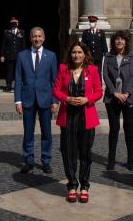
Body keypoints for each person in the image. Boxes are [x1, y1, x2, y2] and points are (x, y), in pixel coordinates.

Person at [53, 42, 103, 203]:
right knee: (68, 153)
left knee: (85, 153)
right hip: (68, 117)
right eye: (74, 52)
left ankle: (84, 186)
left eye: (80, 52)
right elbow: (56, 89)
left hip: (86, 117)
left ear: (85, 54)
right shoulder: (63, 69)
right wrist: (66, 98)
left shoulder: (93, 70)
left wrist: (87, 99)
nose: (76, 55)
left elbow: (99, 91)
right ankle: (72, 185)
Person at [14, 26, 58, 174]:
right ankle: (28, 160)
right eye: (34, 36)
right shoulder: (22, 55)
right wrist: (18, 101)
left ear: (44, 38)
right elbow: (18, 79)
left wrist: (55, 100)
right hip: (27, 99)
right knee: (28, 132)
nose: (37, 39)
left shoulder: (51, 56)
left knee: (46, 132)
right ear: (30, 38)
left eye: (39, 36)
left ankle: (46, 160)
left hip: (45, 99)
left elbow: (54, 81)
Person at [102, 30, 133, 171]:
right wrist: (115, 92)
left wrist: (126, 93)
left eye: (122, 39)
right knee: (114, 128)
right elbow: (105, 75)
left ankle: (131, 160)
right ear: (113, 41)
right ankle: (111, 160)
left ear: (126, 41)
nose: (119, 41)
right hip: (112, 98)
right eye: (117, 39)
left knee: (129, 128)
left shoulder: (131, 56)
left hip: (129, 98)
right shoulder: (108, 56)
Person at [0, 17, 25, 92]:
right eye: (12, 23)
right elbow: (3, 44)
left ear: (18, 23)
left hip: (19, 56)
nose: (14, 24)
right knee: (9, 71)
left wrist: (24, 55)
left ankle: (18, 86)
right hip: (9, 55)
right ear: (11, 24)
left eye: (15, 23)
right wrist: (2, 55)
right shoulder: (7, 32)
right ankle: (8, 85)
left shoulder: (22, 32)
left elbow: (23, 45)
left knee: (19, 71)